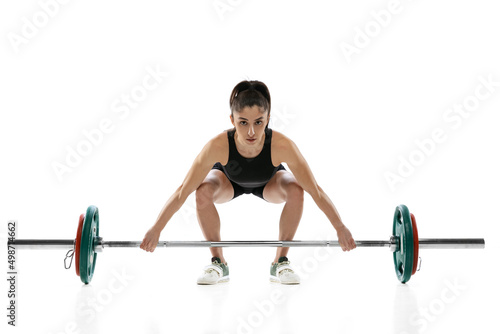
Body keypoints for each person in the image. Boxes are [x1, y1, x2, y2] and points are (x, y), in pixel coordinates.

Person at [140, 80, 356, 285]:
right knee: (202, 190)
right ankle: (218, 262)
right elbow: (182, 191)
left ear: (268, 119)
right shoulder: (217, 145)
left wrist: (340, 227)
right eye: (243, 123)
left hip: (269, 181)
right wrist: (156, 229)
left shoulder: (282, 145)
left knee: (296, 188)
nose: (251, 131)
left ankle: (280, 262)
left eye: (258, 122)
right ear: (232, 120)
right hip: (228, 181)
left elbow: (315, 190)